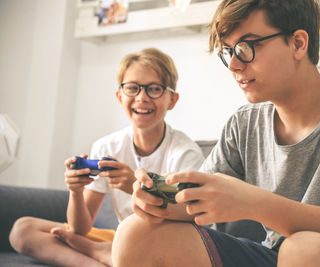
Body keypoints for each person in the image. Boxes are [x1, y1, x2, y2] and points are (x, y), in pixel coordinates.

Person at [111, 1, 320, 267]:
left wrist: (251, 202)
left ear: (298, 43)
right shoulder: (244, 123)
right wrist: (155, 202)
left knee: (305, 250)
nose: (234, 65)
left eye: (246, 47)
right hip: (273, 256)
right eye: (228, 51)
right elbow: (192, 207)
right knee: (136, 231)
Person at [9, 48, 204, 267]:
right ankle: (103, 260)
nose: (142, 97)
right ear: (120, 96)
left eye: (155, 89)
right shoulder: (107, 146)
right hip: (123, 239)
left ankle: (103, 253)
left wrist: (134, 185)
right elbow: (80, 229)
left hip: (170, 243)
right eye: (132, 88)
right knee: (23, 230)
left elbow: (190, 214)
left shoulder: (184, 152)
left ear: (172, 100)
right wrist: (75, 191)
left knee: (139, 243)